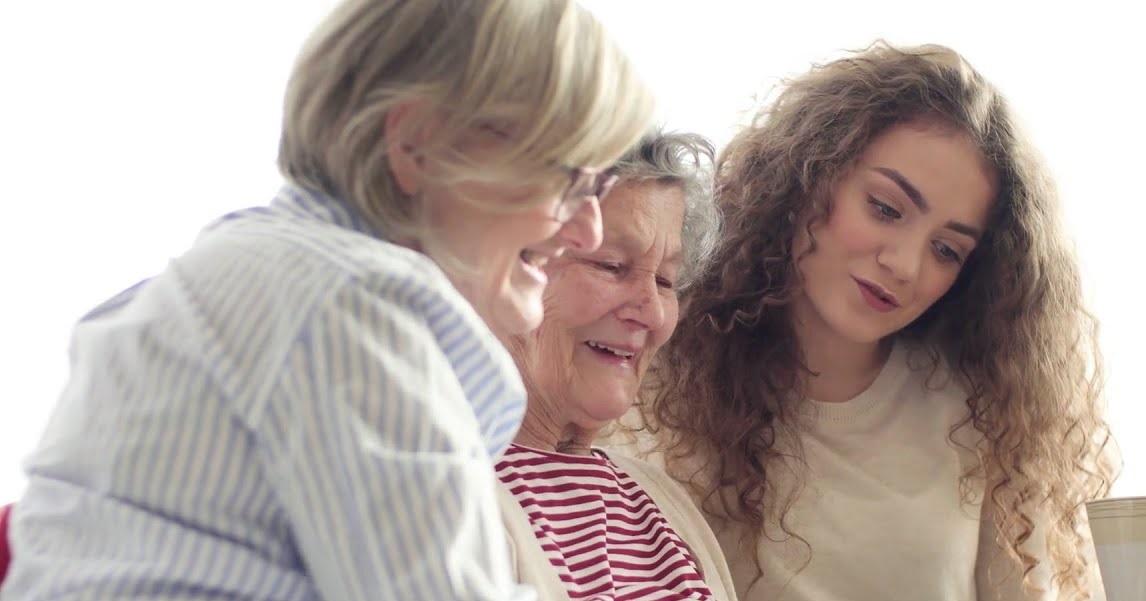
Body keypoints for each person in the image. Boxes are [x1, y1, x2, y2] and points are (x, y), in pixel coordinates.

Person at [2, 1, 655, 600]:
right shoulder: (352, 309)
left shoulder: (236, 269)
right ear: (416, 145)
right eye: (568, 176)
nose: (588, 229)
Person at [624, 43, 1118, 601]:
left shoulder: (981, 417)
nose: (906, 265)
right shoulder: (652, 381)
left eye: (947, 251)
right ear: (805, 177)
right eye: (885, 208)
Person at [494, 130, 735, 600]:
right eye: (610, 266)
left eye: (666, 280)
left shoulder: (663, 502)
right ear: (503, 268)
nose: (651, 311)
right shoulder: (436, 492)